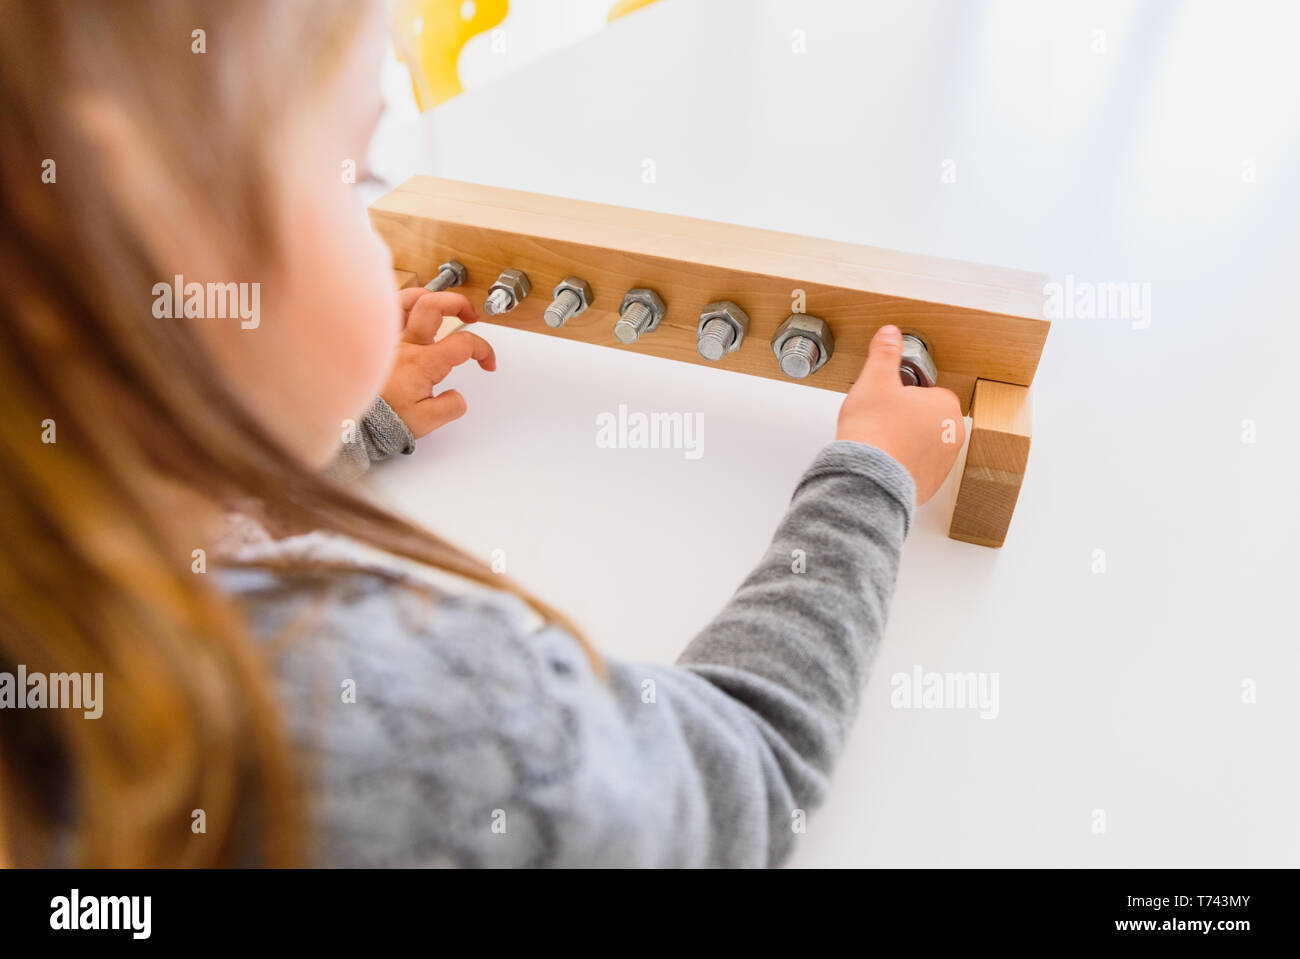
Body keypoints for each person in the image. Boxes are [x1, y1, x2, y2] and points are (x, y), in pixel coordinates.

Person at [0, 0, 963, 866]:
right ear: (140, 238)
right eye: (356, 172)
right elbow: (742, 778)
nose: (375, 216)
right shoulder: (408, 727)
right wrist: (868, 481)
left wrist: (345, 425)